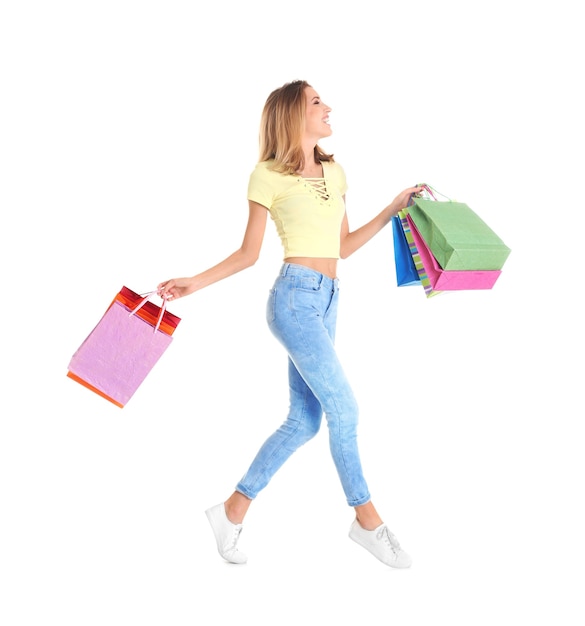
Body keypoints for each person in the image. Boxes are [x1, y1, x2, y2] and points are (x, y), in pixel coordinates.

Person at [158, 79, 422, 568]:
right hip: (294, 301)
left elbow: (341, 247)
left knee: (304, 422)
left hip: (328, 300)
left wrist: (392, 208)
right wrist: (194, 281)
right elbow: (248, 253)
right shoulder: (266, 176)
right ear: (291, 116)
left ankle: (232, 510)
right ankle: (368, 521)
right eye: (317, 102)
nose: (328, 107)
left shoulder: (335, 172)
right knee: (345, 409)